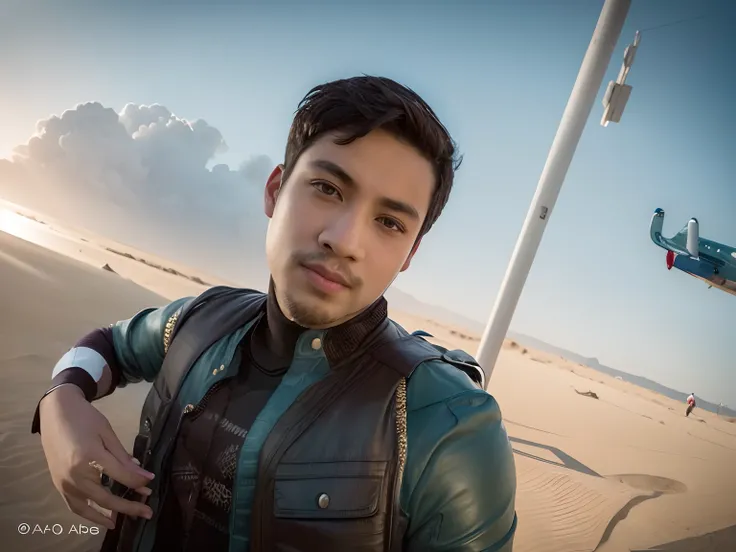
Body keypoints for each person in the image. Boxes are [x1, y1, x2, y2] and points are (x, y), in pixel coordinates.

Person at [30, 76, 517, 551]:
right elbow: (109, 347)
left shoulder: (448, 425)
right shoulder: (204, 318)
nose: (344, 240)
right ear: (275, 190)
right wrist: (62, 398)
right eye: (327, 188)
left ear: (409, 254)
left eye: (389, 222)